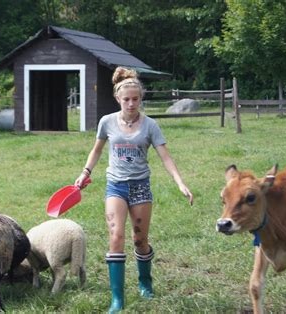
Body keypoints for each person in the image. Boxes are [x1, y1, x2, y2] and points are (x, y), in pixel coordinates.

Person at [75, 67, 193, 313]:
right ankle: (117, 299)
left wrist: (180, 182)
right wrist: (85, 172)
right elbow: (96, 150)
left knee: (140, 240)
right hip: (115, 186)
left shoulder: (150, 125)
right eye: (126, 99)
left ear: (141, 99)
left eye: (135, 99)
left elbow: (165, 157)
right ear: (118, 98)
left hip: (140, 186)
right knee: (116, 237)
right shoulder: (106, 122)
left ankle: (145, 281)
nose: (131, 104)